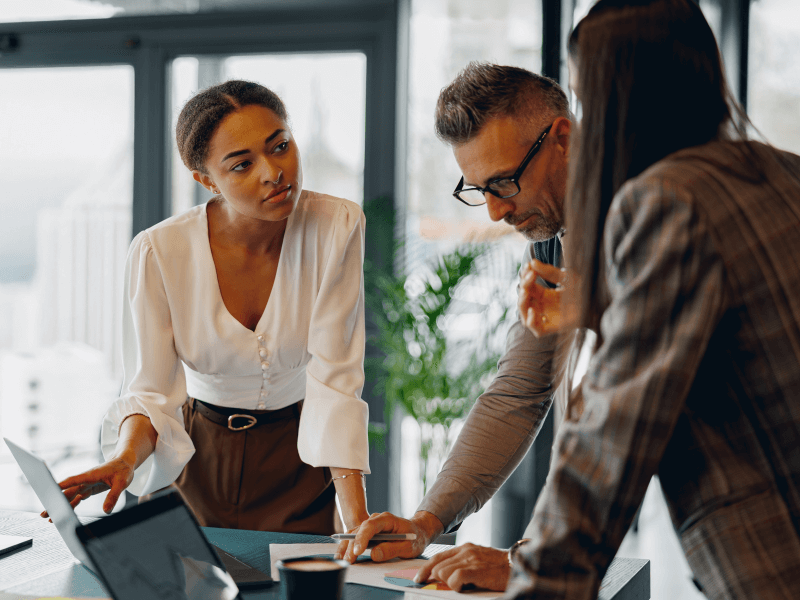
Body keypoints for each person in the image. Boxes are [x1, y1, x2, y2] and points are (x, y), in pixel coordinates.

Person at [506, 0, 800, 598]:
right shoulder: (785, 172)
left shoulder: (667, 202)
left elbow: (608, 447)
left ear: (616, 101)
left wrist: (532, 581)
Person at [48, 80, 371, 535]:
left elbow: (336, 378)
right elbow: (152, 394)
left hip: (299, 458)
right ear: (206, 180)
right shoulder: (159, 251)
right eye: (242, 164)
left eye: (280, 146)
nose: (273, 172)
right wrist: (124, 459)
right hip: (195, 459)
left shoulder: (336, 225)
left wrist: (356, 517)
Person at [338, 62, 576, 591]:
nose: (494, 212)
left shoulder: (648, 221)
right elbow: (520, 388)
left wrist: (530, 564)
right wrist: (427, 522)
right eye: (478, 189)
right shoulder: (551, 239)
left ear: (562, 138)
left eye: (505, 182)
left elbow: (620, 420)